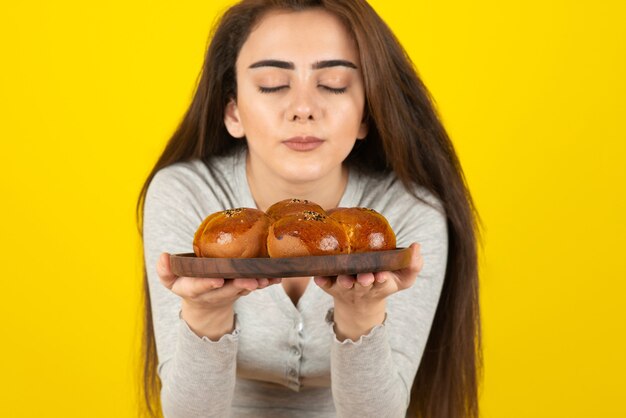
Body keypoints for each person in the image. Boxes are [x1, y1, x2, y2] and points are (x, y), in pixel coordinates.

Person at [137, 1, 481, 417]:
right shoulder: (187, 196)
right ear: (233, 113)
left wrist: (361, 314)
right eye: (271, 84)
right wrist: (205, 314)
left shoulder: (407, 212)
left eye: (334, 84)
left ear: (365, 115)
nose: (303, 107)